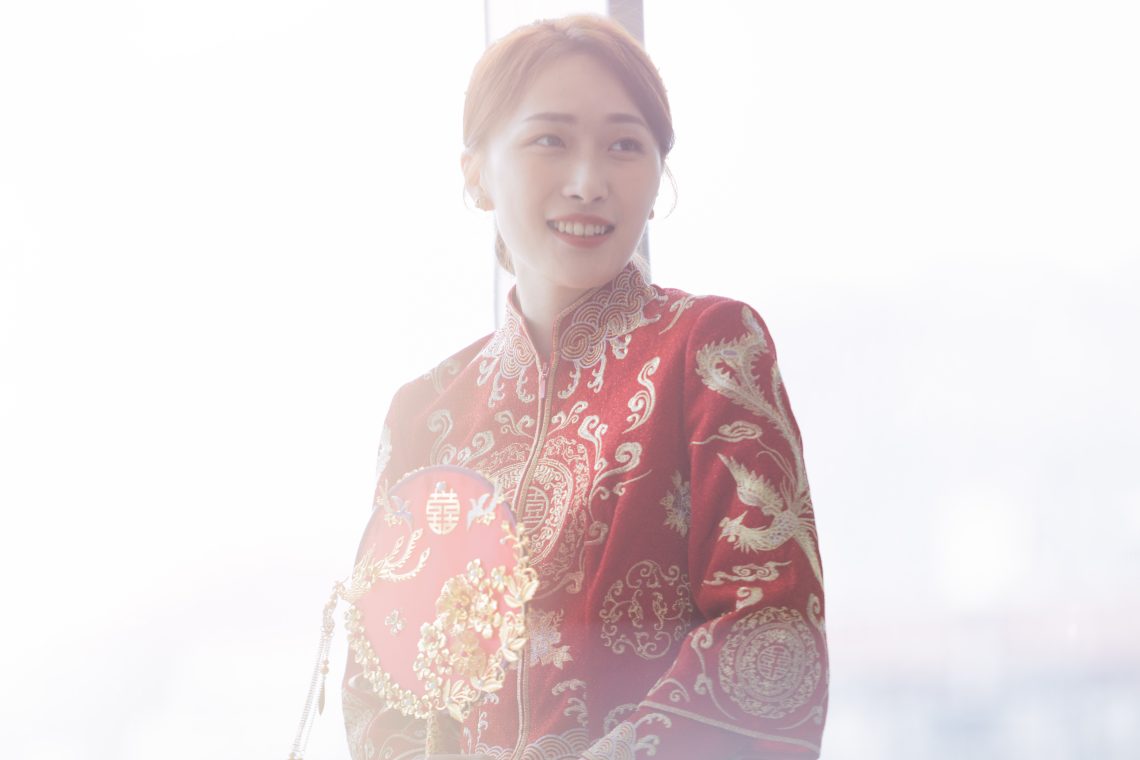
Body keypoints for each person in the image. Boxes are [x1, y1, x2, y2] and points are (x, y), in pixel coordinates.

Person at [343, 14, 828, 760]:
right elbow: (382, 687)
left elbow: (770, 638)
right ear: (476, 172)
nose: (588, 183)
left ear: (658, 177)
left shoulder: (709, 349)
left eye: (625, 146)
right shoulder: (425, 414)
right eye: (550, 140)